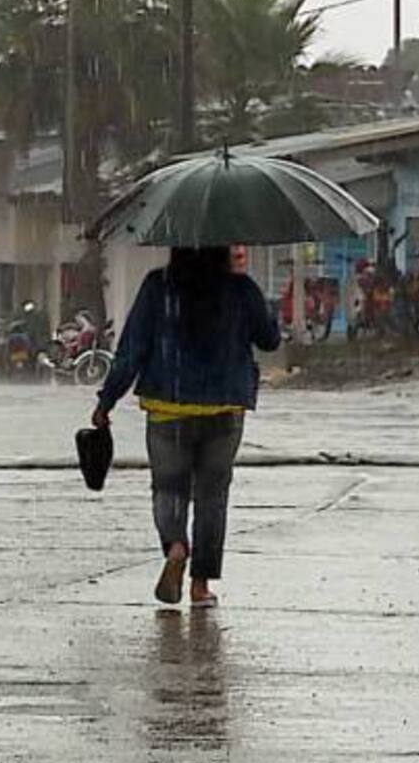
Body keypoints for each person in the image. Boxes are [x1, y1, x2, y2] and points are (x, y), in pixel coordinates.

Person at [91, 247, 281, 608]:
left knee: (168, 488)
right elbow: (270, 339)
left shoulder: (157, 286)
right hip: (224, 409)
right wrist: (250, 289)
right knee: (212, 496)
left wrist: (106, 401)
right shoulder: (240, 289)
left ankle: (176, 547)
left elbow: (132, 349)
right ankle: (200, 586)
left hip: (167, 406)